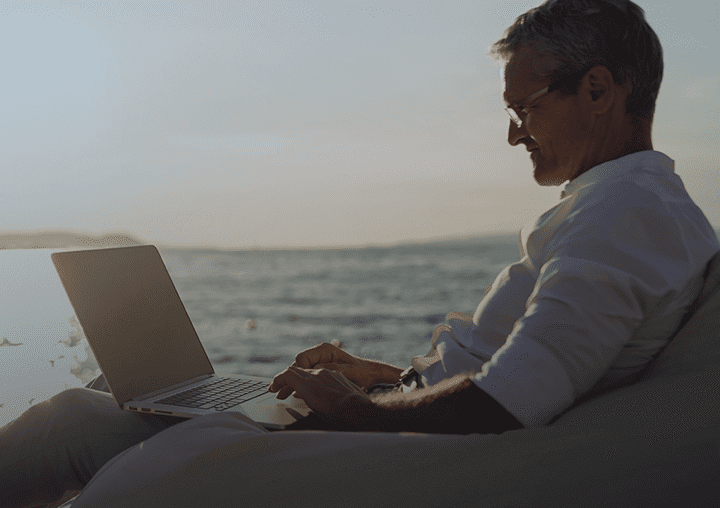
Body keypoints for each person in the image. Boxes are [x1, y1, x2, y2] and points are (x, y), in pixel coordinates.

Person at [2, 0, 719, 506]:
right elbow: (515, 368)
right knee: (78, 413)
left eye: (524, 107)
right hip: (404, 412)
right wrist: (385, 379)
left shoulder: (628, 214)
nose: (513, 134)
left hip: (417, 450)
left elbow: (514, 399)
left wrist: (363, 413)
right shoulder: (620, 208)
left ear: (597, 88)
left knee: (110, 448)